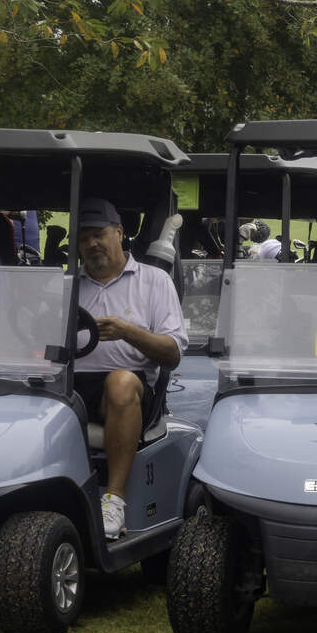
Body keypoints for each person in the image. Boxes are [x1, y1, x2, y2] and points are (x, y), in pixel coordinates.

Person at [74, 197, 186, 539]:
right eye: (84, 238)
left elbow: (172, 353)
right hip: (71, 385)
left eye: (99, 235)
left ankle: (114, 499)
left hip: (132, 388)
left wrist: (127, 332)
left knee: (120, 382)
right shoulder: (68, 285)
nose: (92, 244)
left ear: (119, 233)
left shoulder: (154, 281)